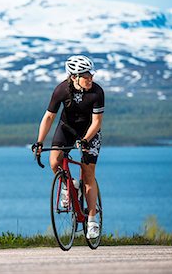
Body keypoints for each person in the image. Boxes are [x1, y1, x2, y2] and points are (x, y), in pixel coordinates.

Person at [32, 55, 104, 239]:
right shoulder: (61, 90)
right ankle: (69, 184)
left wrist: (86, 140)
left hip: (90, 132)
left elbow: (96, 122)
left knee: (89, 175)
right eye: (86, 76)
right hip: (67, 129)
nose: (90, 79)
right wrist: (40, 141)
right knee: (55, 162)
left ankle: (92, 220)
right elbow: (49, 117)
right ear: (73, 76)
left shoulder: (97, 92)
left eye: (91, 75)